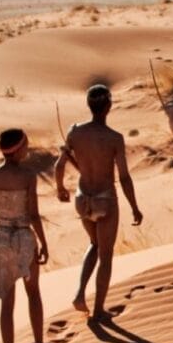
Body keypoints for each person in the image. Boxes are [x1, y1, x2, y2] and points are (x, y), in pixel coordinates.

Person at [56, 84, 143, 320]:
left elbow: (59, 164)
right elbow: (123, 177)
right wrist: (134, 206)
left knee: (94, 244)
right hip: (105, 200)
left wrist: (60, 188)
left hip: (82, 199)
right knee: (105, 254)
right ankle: (97, 310)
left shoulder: (75, 132)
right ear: (109, 106)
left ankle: (80, 293)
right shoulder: (114, 138)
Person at [0, 128, 53, 343]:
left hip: (0, 238)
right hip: (23, 237)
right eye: (26, 145)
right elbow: (33, 215)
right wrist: (43, 242)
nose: (28, 148)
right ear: (19, 149)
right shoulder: (28, 176)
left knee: (6, 303)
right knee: (33, 294)